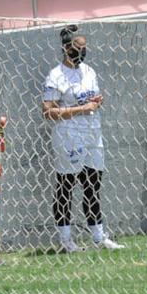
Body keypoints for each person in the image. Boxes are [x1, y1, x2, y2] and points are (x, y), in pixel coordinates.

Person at [41, 25, 123, 252]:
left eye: (85, 48)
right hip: (68, 135)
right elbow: (47, 112)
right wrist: (81, 109)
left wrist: (96, 102)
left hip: (92, 134)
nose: (83, 51)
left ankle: (99, 237)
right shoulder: (55, 76)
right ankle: (66, 240)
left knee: (93, 185)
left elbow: (91, 101)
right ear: (67, 48)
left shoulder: (89, 71)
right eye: (79, 48)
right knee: (66, 185)